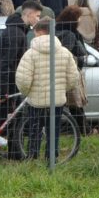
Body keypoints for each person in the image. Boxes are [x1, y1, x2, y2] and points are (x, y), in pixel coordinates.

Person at [14, 18, 80, 160]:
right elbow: (74, 77)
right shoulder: (65, 52)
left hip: (36, 100)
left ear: (38, 32)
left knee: (34, 130)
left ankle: (33, 156)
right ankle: (52, 157)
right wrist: (62, 89)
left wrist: (28, 92)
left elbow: (23, 79)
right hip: (57, 100)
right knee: (53, 130)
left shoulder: (30, 54)